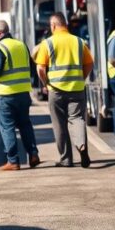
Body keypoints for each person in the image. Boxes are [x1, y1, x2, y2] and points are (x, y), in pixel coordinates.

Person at [35, 12, 95, 168]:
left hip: (56, 90)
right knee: (77, 119)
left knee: (59, 125)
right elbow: (89, 63)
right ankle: (81, 145)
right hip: (76, 88)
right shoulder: (79, 42)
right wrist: (81, 78)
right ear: (66, 24)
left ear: (53, 25)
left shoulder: (48, 43)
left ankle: (66, 159)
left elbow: (40, 68)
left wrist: (45, 83)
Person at [0, 19, 40, 171]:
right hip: (23, 93)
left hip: (6, 94)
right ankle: (33, 154)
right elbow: (32, 67)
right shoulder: (21, 45)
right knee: (25, 124)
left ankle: (13, 161)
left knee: (7, 127)